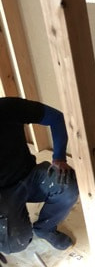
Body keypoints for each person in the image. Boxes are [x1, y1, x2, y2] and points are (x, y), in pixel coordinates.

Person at [0, 97, 79, 255]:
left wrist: (59, 158)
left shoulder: (7, 108)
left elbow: (57, 119)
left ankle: (45, 228)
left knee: (66, 185)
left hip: (30, 177)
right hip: (3, 196)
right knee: (15, 244)